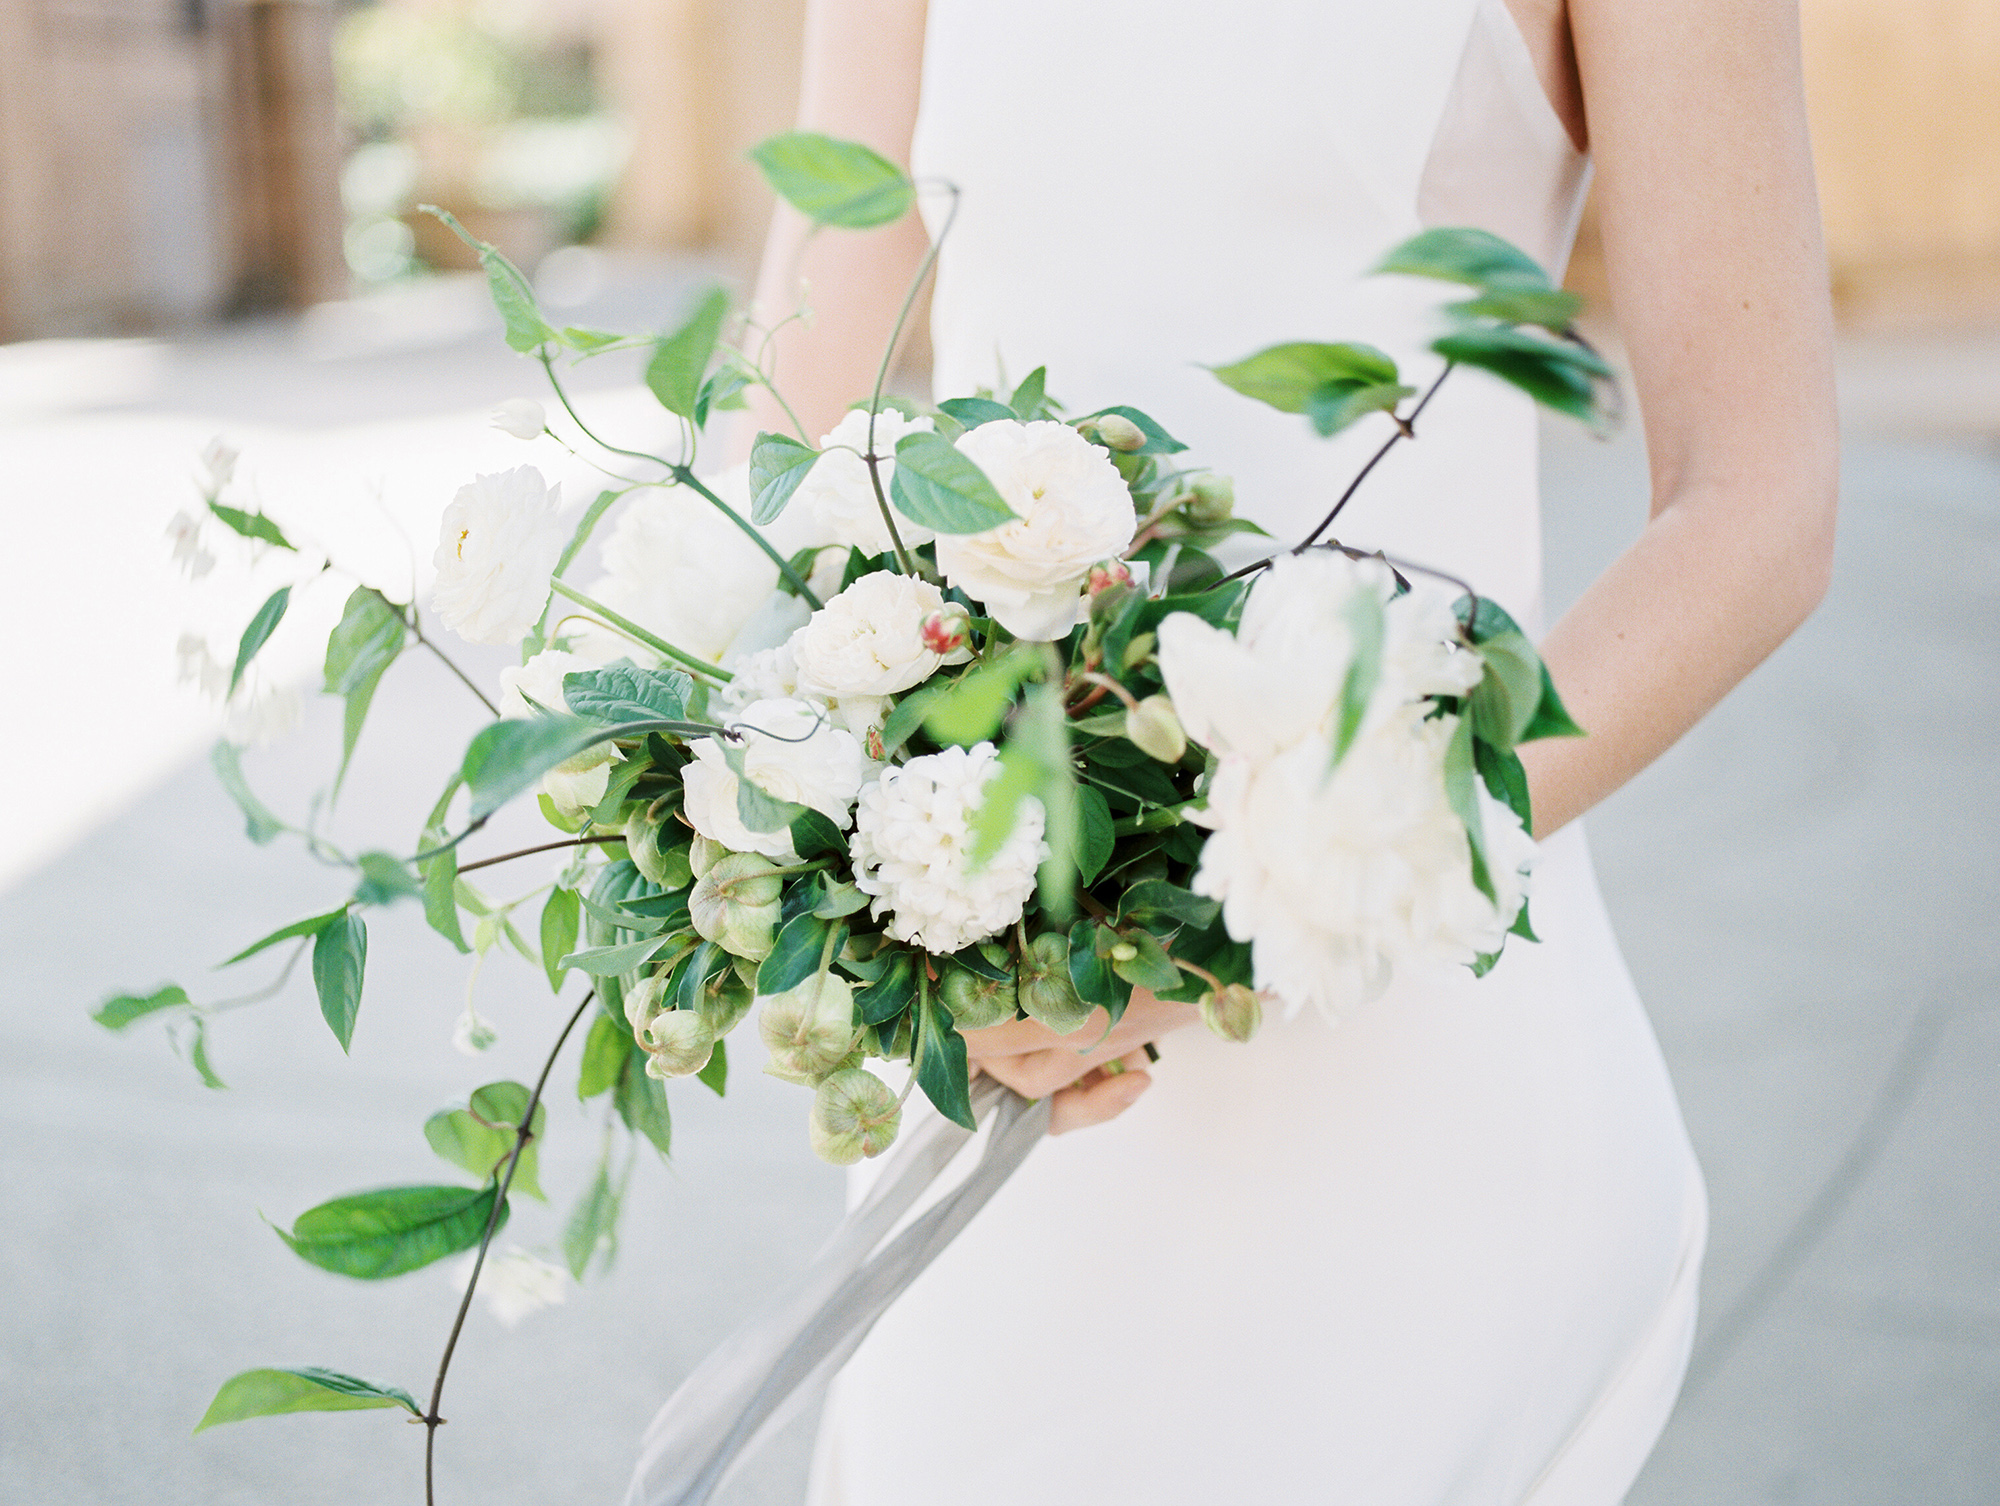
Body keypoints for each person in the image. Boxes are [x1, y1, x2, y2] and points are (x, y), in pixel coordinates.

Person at [741, 0, 1837, 1500]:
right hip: (1013, 1083)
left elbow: (1755, 504)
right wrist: (853, 860)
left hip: (1408, 1109)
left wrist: (1241, 922)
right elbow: (806, 416)